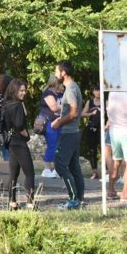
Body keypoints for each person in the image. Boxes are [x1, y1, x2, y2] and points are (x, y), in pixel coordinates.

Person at [52, 61, 85, 210]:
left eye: (56, 71)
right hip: (73, 132)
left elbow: (73, 113)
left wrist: (59, 122)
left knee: (59, 164)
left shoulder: (71, 88)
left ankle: (73, 200)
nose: (55, 74)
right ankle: (79, 199)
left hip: (69, 133)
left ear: (63, 72)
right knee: (73, 167)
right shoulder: (73, 87)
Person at [1, 79, 35, 209]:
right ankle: (30, 203)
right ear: (14, 91)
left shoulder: (6, 104)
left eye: (24, 90)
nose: (24, 93)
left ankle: (12, 202)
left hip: (11, 143)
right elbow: (20, 126)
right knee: (30, 173)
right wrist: (27, 135)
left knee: (13, 174)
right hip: (19, 142)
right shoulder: (17, 106)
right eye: (21, 90)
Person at [39, 75, 63, 178]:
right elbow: (54, 107)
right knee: (52, 145)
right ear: (55, 83)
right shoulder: (48, 93)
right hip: (49, 122)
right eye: (60, 83)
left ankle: (56, 169)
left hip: (59, 121)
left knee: (59, 146)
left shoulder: (60, 94)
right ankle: (47, 169)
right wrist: (67, 106)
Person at [80, 86, 102, 179]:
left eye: (100, 90)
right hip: (91, 127)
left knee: (104, 150)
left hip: (102, 128)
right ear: (93, 91)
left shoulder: (106, 101)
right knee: (92, 150)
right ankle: (95, 172)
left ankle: (107, 172)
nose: (98, 92)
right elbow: (82, 114)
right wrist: (91, 114)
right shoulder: (90, 102)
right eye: (96, 90)